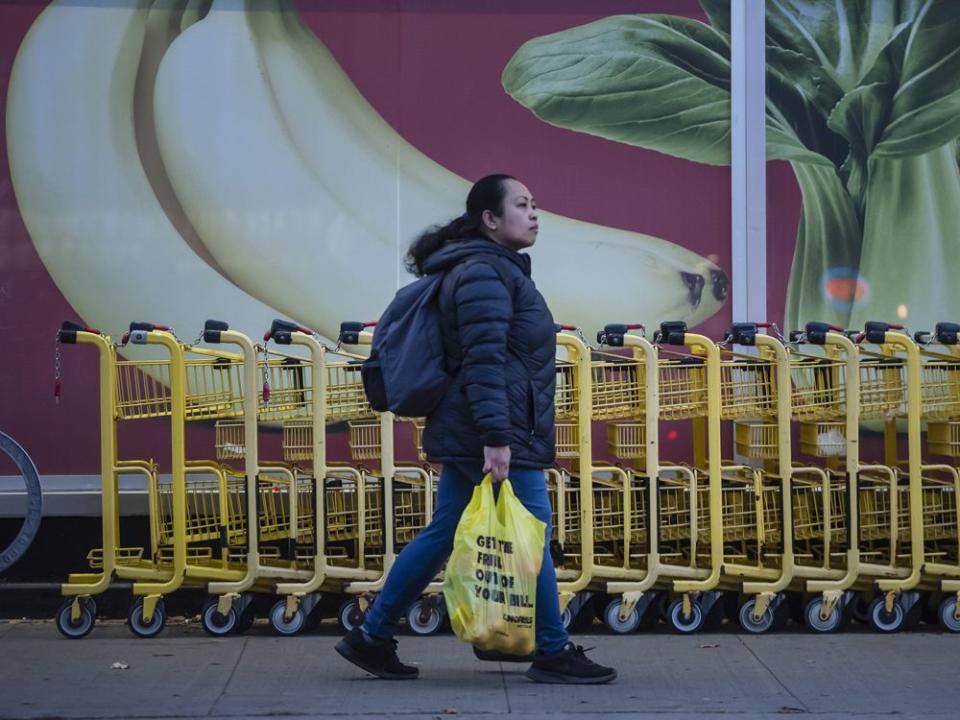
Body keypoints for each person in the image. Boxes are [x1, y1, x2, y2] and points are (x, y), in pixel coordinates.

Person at [335, 174, 616, 684]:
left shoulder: (492, 270)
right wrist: (497, 439)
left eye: (535, 205)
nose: (534, 214)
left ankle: (371, 635)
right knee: (532, 533)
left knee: (445, 532)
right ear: (490, 218)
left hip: (482, 426)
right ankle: (552, 650)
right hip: (493, 430)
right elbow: (484, 363)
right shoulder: (485, 274)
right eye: (522, 205)